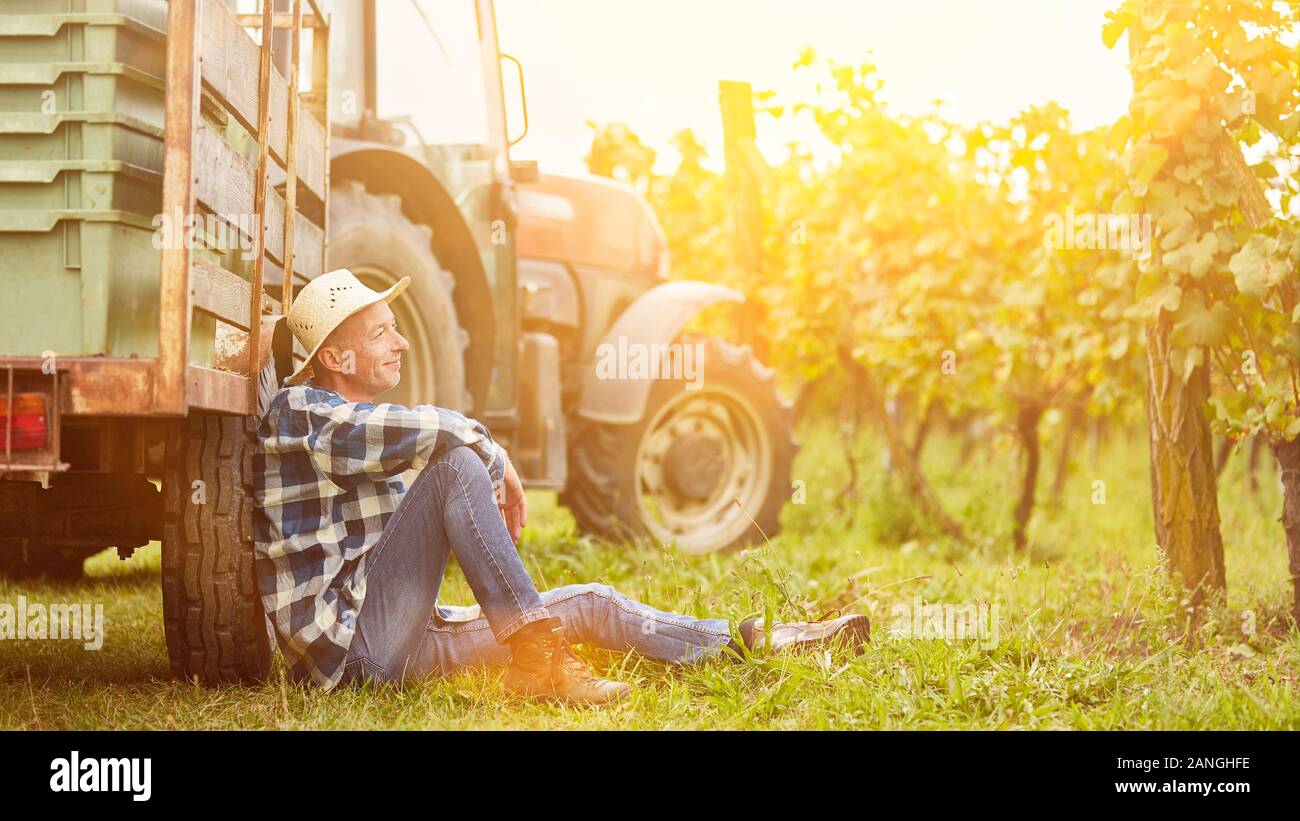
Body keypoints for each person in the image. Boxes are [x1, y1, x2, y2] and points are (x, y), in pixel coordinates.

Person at [253, 268, 870, 705]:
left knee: (591, 603)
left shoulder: (347, 428)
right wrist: (491, 452)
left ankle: (764, 641)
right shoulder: (299, 413)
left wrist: (484, 454)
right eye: (382, 333)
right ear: (336, 358)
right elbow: (437, 433)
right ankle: (541, 660)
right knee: (457, 466)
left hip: (404, 638)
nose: (402, 341)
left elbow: (417, 440)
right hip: (355, 657)